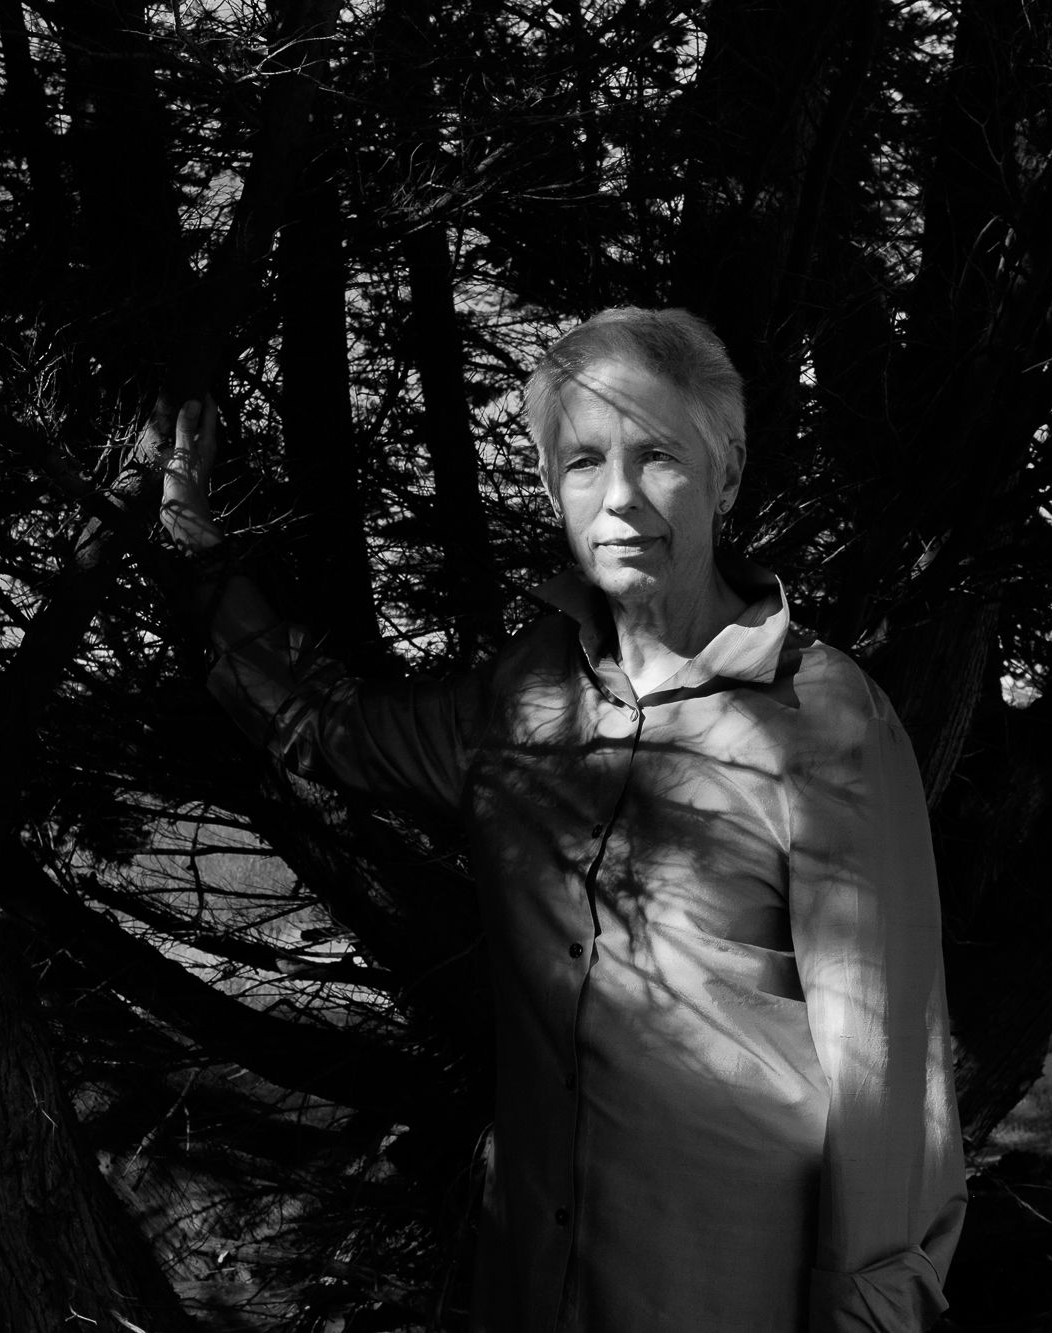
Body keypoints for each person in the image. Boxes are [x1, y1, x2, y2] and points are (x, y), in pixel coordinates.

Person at [162, 307, 966, 1332]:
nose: (620, 496)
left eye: (658, 456)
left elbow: (885, 1073)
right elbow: (333, 728)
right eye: (585, 462)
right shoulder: (522, 696)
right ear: (551, 488)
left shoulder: (828, 719)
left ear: (725, 475)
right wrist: (197, 550)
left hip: (731, 1295)